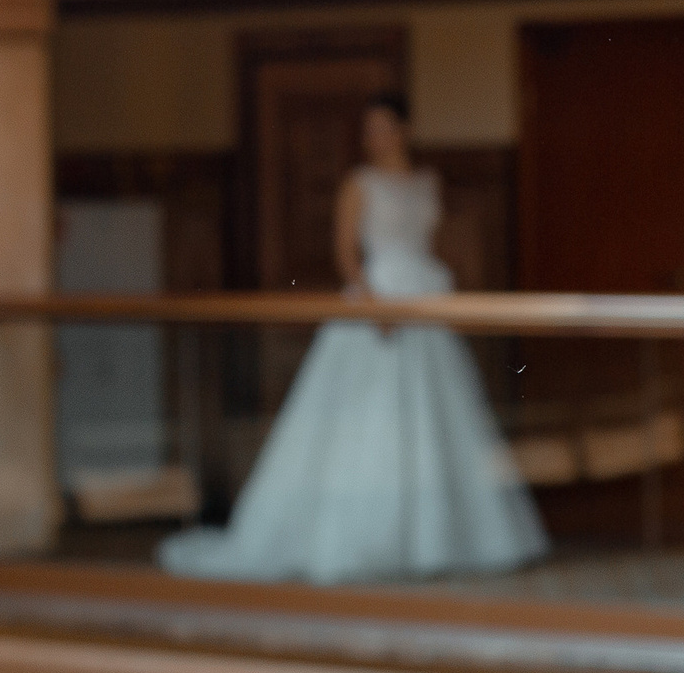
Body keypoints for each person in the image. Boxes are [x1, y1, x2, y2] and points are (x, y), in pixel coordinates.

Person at [159, 92, 549, 584]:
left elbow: (434, 241)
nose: (375, 138)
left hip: (424, 302)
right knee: (366, 421)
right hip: (376, 302)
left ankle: (433, 539)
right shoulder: (357, 184)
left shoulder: (428, 182)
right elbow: (346, 255)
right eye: (368, 130)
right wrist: (372, 305)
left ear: (404, 129)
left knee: (433, 419)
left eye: (383, 127)